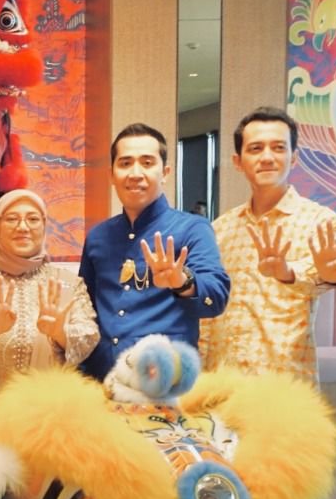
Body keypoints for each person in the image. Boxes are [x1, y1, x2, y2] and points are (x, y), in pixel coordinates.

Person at [197, 108, 336, 383]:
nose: (267, 157)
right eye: (255, 148)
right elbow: (209, 314)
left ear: (294, 158)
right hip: (222, 382)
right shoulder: (221, 228)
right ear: (238, 161)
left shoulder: (319, 220)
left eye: (278, 148)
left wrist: (287, 272)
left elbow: (323, 278)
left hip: (283, 385)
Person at [0, 189, 99, 446]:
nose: (23, 227)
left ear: (44, 225)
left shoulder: (67, 283)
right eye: (12, 219)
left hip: (48, 419)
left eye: (33, 219)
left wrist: (60, 333)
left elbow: (89, 333)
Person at [78, 123, 229, 380]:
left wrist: (182, 282)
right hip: (103, 380)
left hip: (164, 383)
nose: (135, 173)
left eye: (147, 163)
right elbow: (85, 311)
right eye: (125, 163)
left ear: (165, 172)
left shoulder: (193, 228)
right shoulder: (98, 237)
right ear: (112, 174)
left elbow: (216, 298)